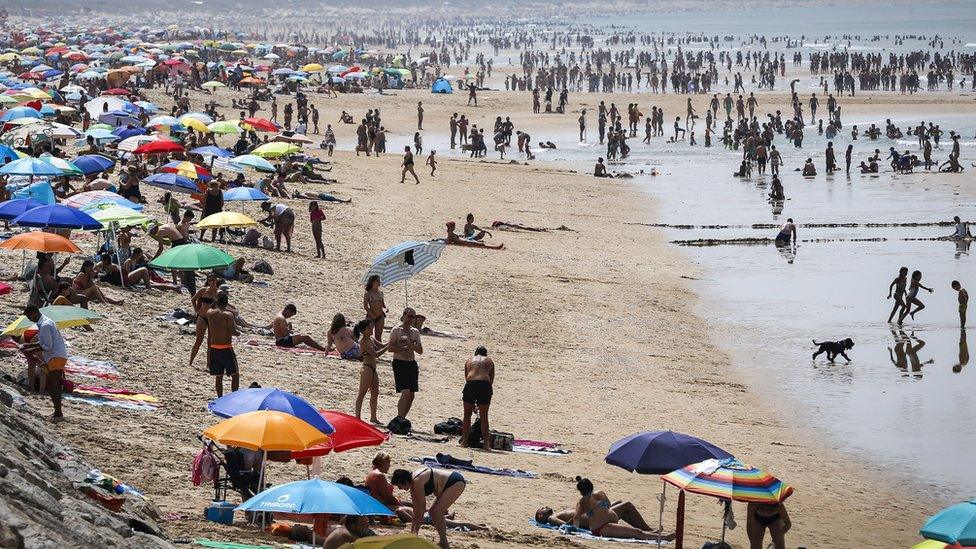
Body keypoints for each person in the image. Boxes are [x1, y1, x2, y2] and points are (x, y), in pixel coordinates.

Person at [571, 477, 673, 541]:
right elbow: (576, 518)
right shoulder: (587, 500)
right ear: (591, 487)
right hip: (601, 528)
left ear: (581, 492)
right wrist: (577, 531)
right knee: (637, 532)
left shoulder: (588, 499)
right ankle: (665, 537)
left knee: (626, 505)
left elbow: (576, 518)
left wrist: (594, 512)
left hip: (607, 521)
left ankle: (651, 532)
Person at [392, 467, 466, 548]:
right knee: (432, 512)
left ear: (404, 481)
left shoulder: (417, 481)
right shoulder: (413, 485)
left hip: (454, 482)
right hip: (444, 487)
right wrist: (412, 532)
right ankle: (442, 541)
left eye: (399, 485)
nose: (399, 489)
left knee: (436, 512)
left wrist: (415, 532)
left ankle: (444, 543)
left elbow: (422, 507)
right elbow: (416, 509)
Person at [21, 305, 67, 421]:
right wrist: (29, 345)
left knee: (53, 386)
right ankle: (57, 413)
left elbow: (47, 346)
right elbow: (43, 342)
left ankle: (58, 414)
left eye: (29, 317)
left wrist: (31, 350)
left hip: (56, 357)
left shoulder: (45, 325)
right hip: (54, 357)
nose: (30, 319)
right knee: (53, 385)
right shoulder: (44, 323)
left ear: (34, 313)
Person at [388, 308, 423, 421]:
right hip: (399, 362)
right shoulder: (396, 330)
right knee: (405, 392)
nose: (410, 319)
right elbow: (390, 348)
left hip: (411, 363)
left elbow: (420, 350)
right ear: (404, 316)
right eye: (409, 316)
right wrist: (402, 347)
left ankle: (403, 417)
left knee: (411, 394)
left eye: (413, 317)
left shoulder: (415, 332)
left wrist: (411, 345)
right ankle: (399, 418)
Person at [354, 319, 387, 423]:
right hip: (367, 368)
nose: (371, 329)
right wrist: (389, 347)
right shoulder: (363, 342)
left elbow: (381, 346)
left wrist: (393, 342)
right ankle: (357, 417)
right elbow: (376, 354)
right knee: (362, 393)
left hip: (373, 368)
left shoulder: (371, 339)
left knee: (375, 393)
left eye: (371, 327)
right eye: (369, 328)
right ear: (363, 330)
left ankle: (373, 417)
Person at [461, 346, 494, 450]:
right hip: (484, 384)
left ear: (476, 353)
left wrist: (474, 404)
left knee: (467, 415)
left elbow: (467, 378)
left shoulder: (469, 360)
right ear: (486, 354)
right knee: (484, 416)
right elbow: (491, 380)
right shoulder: (489, 361)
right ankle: (486, 444)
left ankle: (465, 442)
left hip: (471, 384)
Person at [535, 502, 654, 531]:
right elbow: (564, 526)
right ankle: (649, 530)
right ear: (541, 515)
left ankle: (646, 530)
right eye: (543, 508)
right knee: (627, 505)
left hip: (594, 515)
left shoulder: (555, 515)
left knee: (619, 502)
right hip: (596, 519)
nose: (545, 507)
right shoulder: (551, 518)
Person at [206, 292, 239, 397]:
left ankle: (219, 397)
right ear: (226, 303)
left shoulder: (209, 313)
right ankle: (234, 396)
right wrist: (238, 333)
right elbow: (233, 331)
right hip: (226, 348)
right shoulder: (228, 315)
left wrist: (215, 301)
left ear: (216, 301)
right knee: (235, 375)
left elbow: (211, 307)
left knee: (219, 376)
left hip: (214, 348)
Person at [189, 275, 221, 370]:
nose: (212, 282)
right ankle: (191, 361)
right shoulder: (203, 291)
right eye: (210, 280)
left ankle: (208, 365)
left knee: (210, 343)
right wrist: (196, 310)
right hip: (202, 317)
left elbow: (221, 306)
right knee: (199, 340)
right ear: (208, 281)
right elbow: (193, 299)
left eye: (214, 280)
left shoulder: (219, 293)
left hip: (213, 319)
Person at [363, 274, 387, 342]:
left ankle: (378, 350)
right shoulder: (368, 293)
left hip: (380, 316)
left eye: (379, 280)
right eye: (377, 280)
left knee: (378, 336)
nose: (379, 282)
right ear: (373, 282)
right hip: (371, 316)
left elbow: (383, 305)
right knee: (367, 335)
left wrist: (386, 309)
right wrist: (371, 314)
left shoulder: (381, 293)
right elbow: (365, 306)